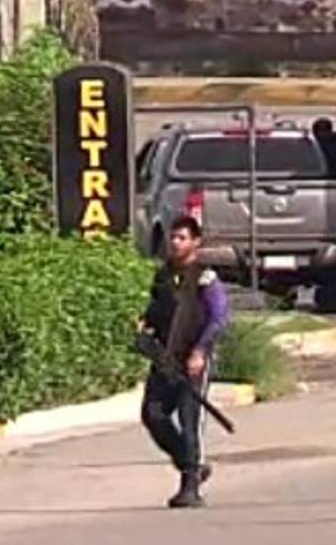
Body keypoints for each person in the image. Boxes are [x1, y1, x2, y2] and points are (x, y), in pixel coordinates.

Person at [139, 216, 230, 509]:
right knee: (153, 414)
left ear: (195, 242)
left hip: (193, 361)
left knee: (190, 422)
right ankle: (189, 464)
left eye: (181, 238)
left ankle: (190, 486)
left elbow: (218, 318)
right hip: (165, 359)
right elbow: (154, 312)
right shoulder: (163, 276)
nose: (175, 243)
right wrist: (144, 328)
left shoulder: (205, 278)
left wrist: (200, 351)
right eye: (173, 238)